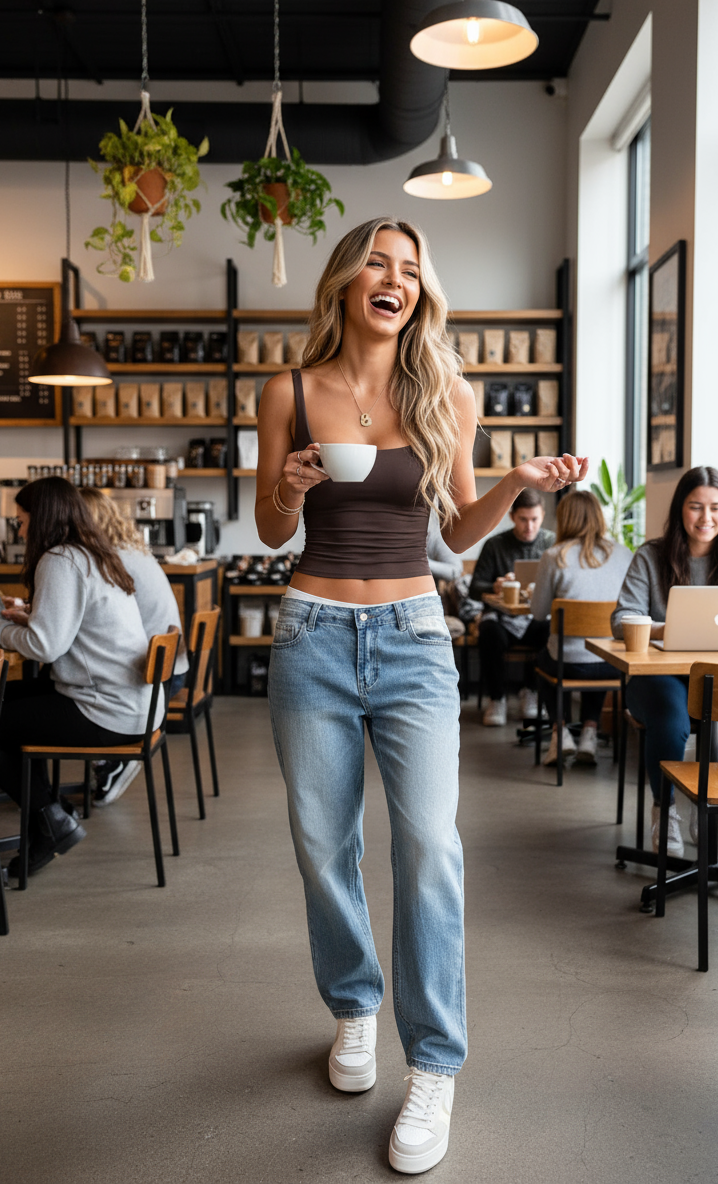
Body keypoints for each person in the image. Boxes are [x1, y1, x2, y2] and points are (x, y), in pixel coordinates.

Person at [255, 215, 588, 1175]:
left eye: (410, 269)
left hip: (411, 638)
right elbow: (277, 530)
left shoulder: (447, 390)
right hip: (312, 632)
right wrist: (289, 480)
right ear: (346, 283)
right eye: (377, 264)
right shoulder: (287, 389)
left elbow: (456, 534)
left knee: (432, 846)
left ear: (419, 292)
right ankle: (355, 1010)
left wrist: (515, 483)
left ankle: (433, 1064)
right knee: (324, 844)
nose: (393, 280)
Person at [0, 477, 157, 876]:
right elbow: (69, 628)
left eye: (21, 521)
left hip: (105, 709)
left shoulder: (60, 559)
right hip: (130, 701)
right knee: (0, 705)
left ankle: (50, 819)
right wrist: (32, 616)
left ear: (42, 518)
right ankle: (48, 815)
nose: (19, 530)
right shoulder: (93, 553)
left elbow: (45, 647)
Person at [611, 465, 718, 856]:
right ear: (680, 509)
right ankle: (665, 810)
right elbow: (621, 619)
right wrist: (670, 629)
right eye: (695, 507)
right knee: (672, 720)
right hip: (660, 680)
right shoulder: (650, 556)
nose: (706, 518)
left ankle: (710, 809)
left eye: (715, 508)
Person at [78, 486, 188, 806]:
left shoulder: (110, 559)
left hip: (151, 682)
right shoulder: (129, 550)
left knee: (71, 680)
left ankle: (113, 759)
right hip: (167, 670)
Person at [531, 490, 632, 766]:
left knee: (543, 659)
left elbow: (538, 613)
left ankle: (559, 732)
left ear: (564, 519)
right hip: (615, 663)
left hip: (568, 664)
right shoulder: (624, 554)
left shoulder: (554, 556)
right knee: (598, 651)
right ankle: (589, 731)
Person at [467, 488, 556, 726]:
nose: (529, 527)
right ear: (512, 516)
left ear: (543, 516)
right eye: (523, 520)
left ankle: (532, 692)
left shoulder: (552, 543)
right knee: (489, 632)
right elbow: (474, 588)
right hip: (501, 619)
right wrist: (495, 585)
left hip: (536, 617)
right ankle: (496, 698)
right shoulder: (495, 545)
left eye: (535, 520)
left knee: (551, 630)